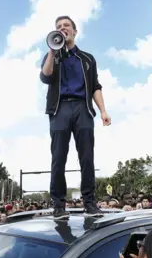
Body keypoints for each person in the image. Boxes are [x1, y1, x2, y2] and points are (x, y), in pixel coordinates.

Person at [40, 15, 111, 219]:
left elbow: (96, 86)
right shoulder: (51, 56)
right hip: (59, 109)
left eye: (66, 26)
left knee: (87, 158)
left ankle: (90, 203)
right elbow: (45, 76)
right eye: (59, 27)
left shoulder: (87, 59)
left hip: (83, 108)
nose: (63, 29)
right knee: (58, 158)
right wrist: (52, 50)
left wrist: (103, 111)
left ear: (74, 31)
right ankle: (59, 205)